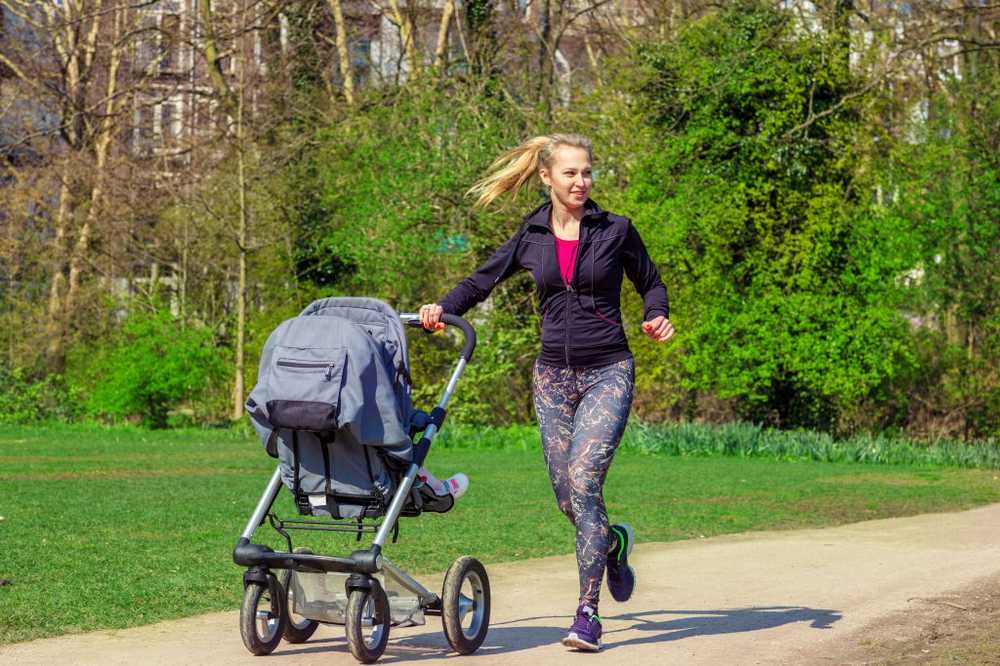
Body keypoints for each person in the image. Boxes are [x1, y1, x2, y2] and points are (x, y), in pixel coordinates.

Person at [420, 133, 674, 652]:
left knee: (584, 481)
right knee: (568, 500)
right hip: (552, 378)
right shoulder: (531, 233)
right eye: (570, 174)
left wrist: (655, 314)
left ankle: (587, 615)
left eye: (586, 173)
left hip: (608, 369)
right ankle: (612, 544)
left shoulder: (616, 230)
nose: (581, 182)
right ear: (546, 177)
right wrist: (440, 310)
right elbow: (482, 281)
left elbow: (652, 282)